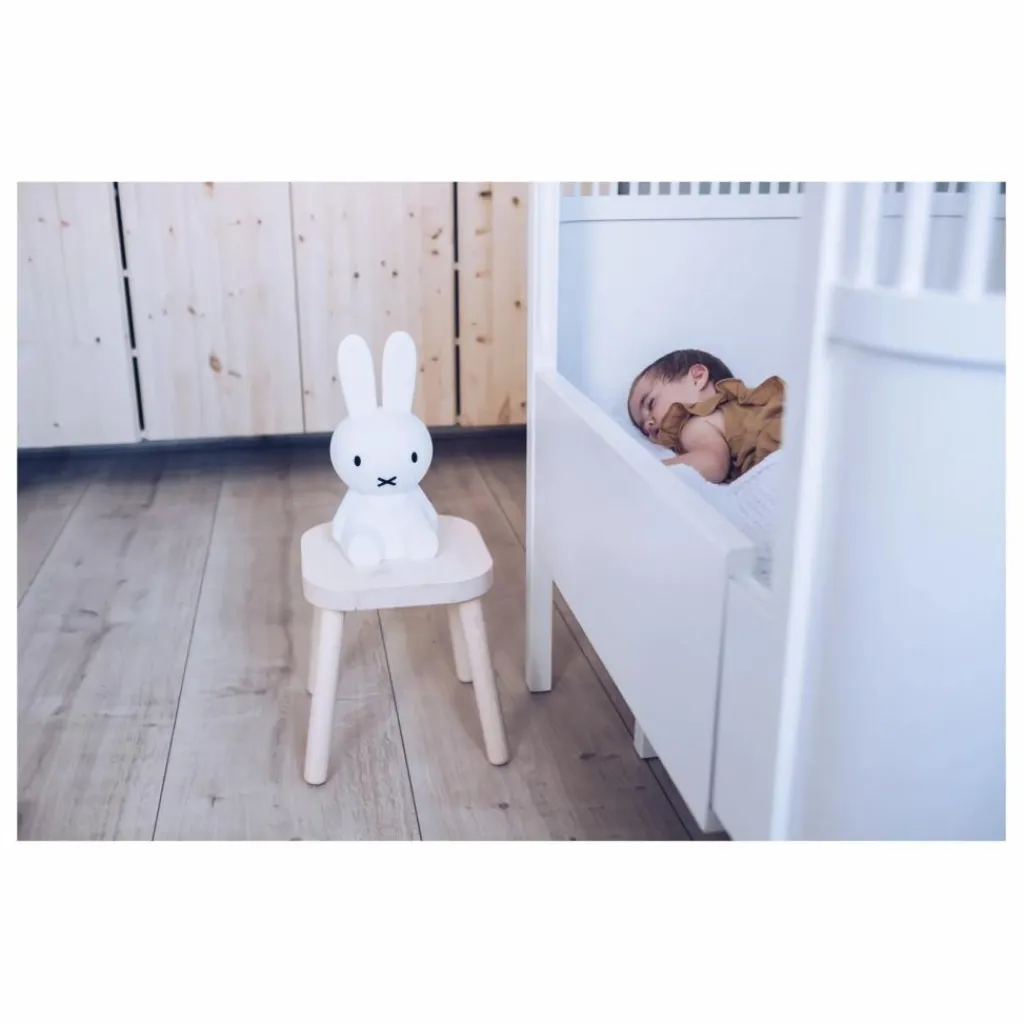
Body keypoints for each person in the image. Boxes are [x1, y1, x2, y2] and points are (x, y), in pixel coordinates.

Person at [627, 348, 785, 484]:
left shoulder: (694, 423)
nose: (648, 424)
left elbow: (713, 463)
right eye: (643, 429)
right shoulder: (742, 411)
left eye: (651, 404)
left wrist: (646, 471)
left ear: (697, 378)